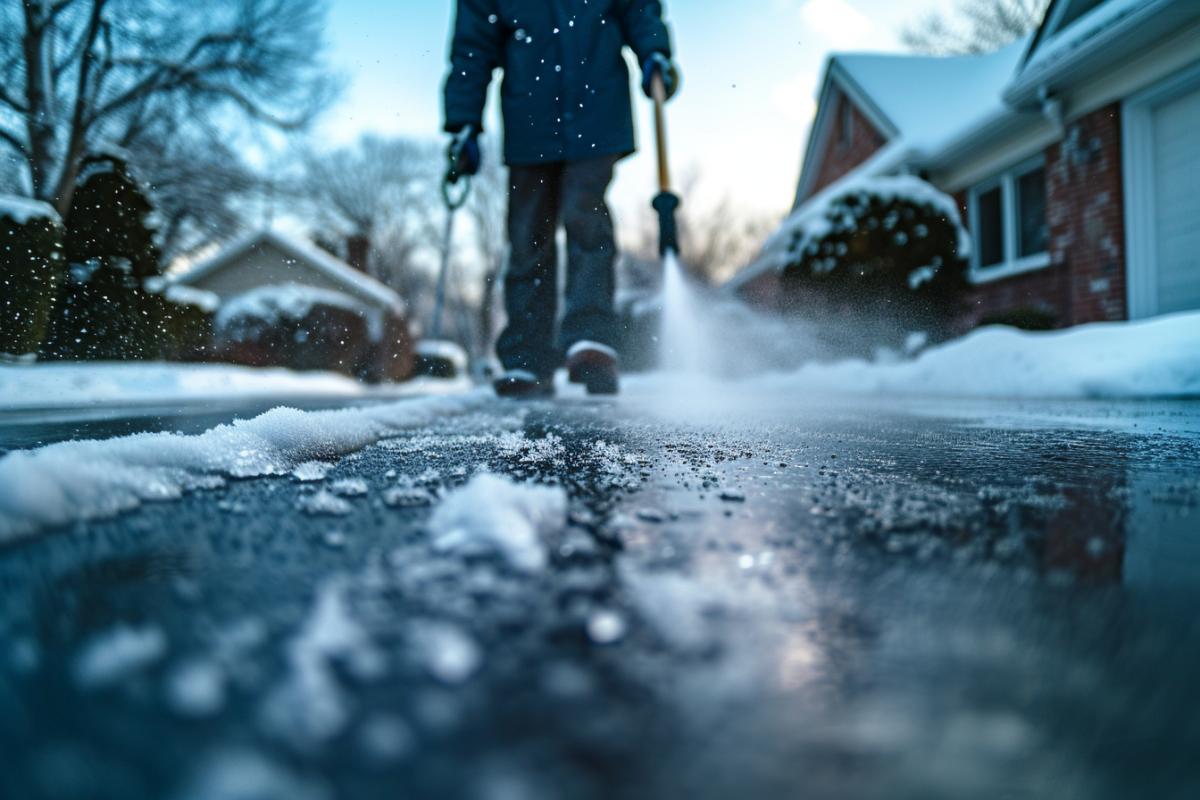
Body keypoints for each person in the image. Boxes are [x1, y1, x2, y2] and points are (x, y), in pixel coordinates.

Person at [443, 0, 680, 398]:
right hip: (529, 117)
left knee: (586, 217)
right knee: (527, 235)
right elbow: (473, 45)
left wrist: (654, 51)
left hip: (597, 108)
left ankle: (591, 338)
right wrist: (463, 120)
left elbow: (639, 7)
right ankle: (528, 355)